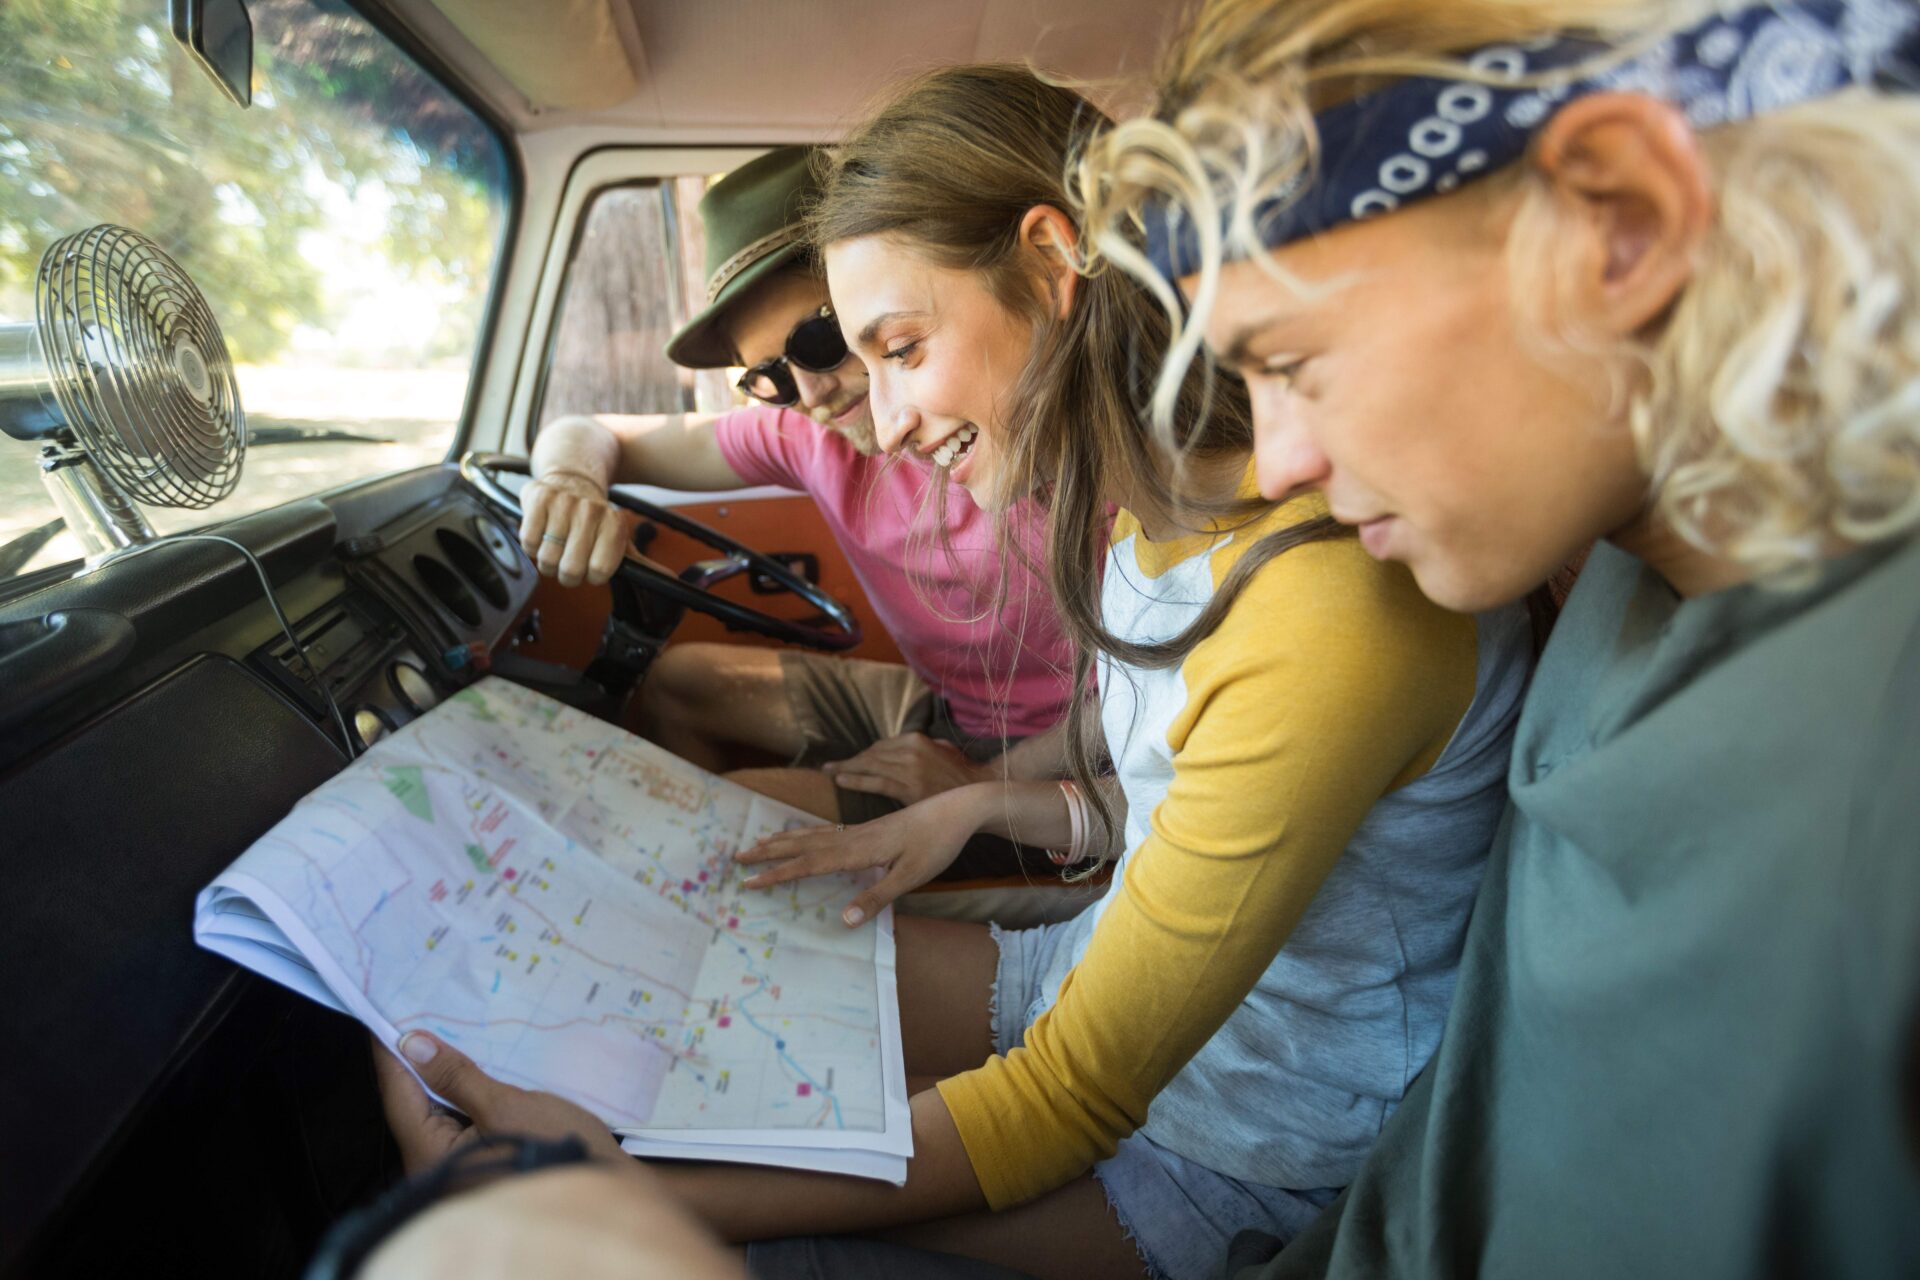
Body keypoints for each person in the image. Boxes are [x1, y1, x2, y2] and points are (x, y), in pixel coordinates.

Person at [388, 65, 1533, 1280]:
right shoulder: (1150, 521)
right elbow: (1164, 794)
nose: (877, 421)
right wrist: (978, 803)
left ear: (1051, 262)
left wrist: (615, 1190)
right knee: (674, 959)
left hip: (1235, 1144)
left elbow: (1071, 1095)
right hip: (1090, 963)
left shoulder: (1320, 604)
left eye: (897, 346)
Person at [1074, 0, 1920, 1275]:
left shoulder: (1871, 780)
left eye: (1295, 359)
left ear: (1619, 222)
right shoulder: (1623, 595)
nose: (1282, 454)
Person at [519, 146, 1076, 878]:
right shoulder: (811, 435)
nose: (812, 394)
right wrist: (566, 482)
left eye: (821, 342)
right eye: (771, 377)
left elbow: (1145, 697)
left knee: (731, 826)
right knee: (678, 683)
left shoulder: (1037, 447)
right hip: (948, 713)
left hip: (1060, 760)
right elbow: (591, 432)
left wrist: (982, 786)